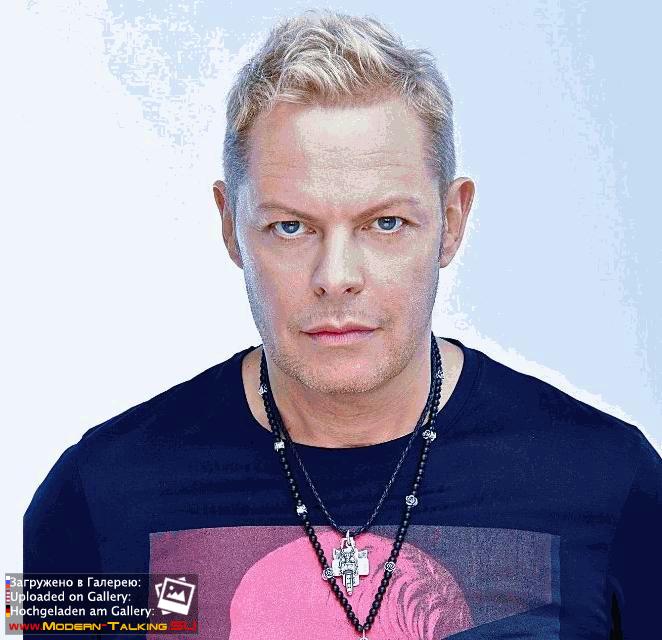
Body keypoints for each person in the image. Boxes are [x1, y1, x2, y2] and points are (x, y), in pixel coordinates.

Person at [24, 9, 661, 639]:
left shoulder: (616, 483)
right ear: (230, 225)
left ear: (452, 222)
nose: (336, 276)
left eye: (386, 223)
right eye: (290, 226)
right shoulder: (90, 496)